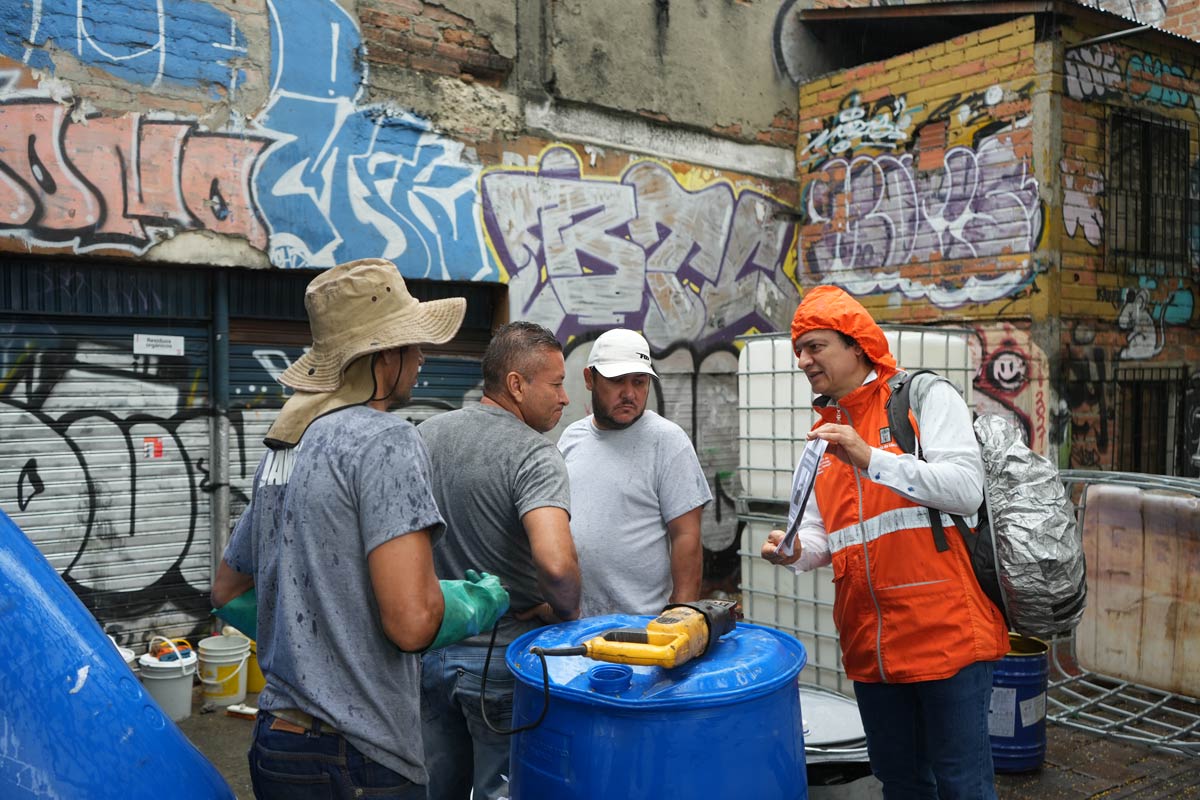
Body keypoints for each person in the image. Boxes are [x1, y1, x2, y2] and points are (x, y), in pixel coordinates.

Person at [211, 259, 509, 800]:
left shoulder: (286, 445)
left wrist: (320, 629)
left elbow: (227, 591)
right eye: (412, 344)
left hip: (276, 746)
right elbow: (412, 625)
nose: (421, 357)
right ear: (382, 355)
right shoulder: (386, 441)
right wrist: (475, 604)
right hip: (357, 759)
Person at [759, 286, 1009, 799]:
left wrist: (871, 457)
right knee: (900, 784)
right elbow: (819, 536)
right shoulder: (821, 437)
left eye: (816, 346)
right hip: (871, 646)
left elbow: (965, 489)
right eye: (799, 349)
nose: (803, 360)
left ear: (857, 346)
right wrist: (793, 551)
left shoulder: (923, 397)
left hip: (948, 638)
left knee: (963, 785)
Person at [417, 320, 582, 800]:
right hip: (501, 667)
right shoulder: (534, 455)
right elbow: (555, 565)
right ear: (516, 384)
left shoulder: (424, 435)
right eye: (555, 383)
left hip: (428, 655)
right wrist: (564, 611)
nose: (565, 397)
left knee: (436, 790)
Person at [557, 328, 711, 617]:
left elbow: (686, 537)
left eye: (639, 382)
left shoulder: (667, 441)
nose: (629, 393)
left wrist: (678, 618)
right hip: (576, 623)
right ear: (590, 379)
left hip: (642, 625)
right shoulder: (571, 438)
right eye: (617, 381)